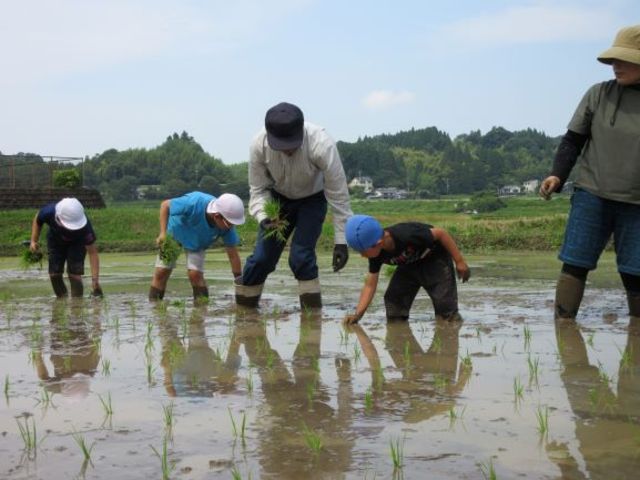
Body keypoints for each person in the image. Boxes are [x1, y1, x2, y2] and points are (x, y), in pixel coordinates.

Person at [539, 25, 640, 323]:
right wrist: (557, 175)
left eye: (623, 60)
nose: (615, 66)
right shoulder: (598, 94)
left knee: (635, 271)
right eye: (613, 61)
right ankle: (564, 326)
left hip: (637, 204)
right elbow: (573, 140)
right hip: (592, 195)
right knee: (575, 263)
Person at [236, 102, 353, 309]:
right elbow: (258, 189)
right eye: (281, 145)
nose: (288, 150)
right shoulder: (258, 145)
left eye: (292, 144)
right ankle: (244, 313)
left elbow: (338, 195)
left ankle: (312, 318)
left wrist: (341, 240)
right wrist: (264, 216)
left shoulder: (321, 144)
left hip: (313, 199)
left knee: (301, 257)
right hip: (277, 201)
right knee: (261, 259)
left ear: (301, 132)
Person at [343, 214, 470, 323]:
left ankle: (450, 328)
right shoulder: (376, 254)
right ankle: (399, 337)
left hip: (434, 259)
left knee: (445, 307)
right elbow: (370, 285)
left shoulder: (407, 234)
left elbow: (441, 234)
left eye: (362, 252)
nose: (361, 256)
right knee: (394, 300)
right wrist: (358, 314)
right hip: (409, 264)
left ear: (378, 243)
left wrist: (459, 261)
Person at [148, 191, 245, 302]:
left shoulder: (227, 227)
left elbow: (233, 255)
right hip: (173, 235)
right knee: (161, 272)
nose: (231, 227)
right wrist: (163, 233)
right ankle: (155, 307)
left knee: (195, 275)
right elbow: (165, 205)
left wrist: (239, 281)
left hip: (197, 243)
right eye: (230, 223)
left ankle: (201, 310)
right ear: (217, 216)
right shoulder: (193, 203)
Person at [30, 197, 102, 298]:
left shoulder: (85, 228)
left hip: (77, 243)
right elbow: (38, 219)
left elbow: (93, 252)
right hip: (55, 241)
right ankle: (62, 299)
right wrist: (34, 241)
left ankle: (77, 305)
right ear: (58, 218)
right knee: (54, 274)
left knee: (74, 275)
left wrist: (95, 281)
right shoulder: (49, 211)